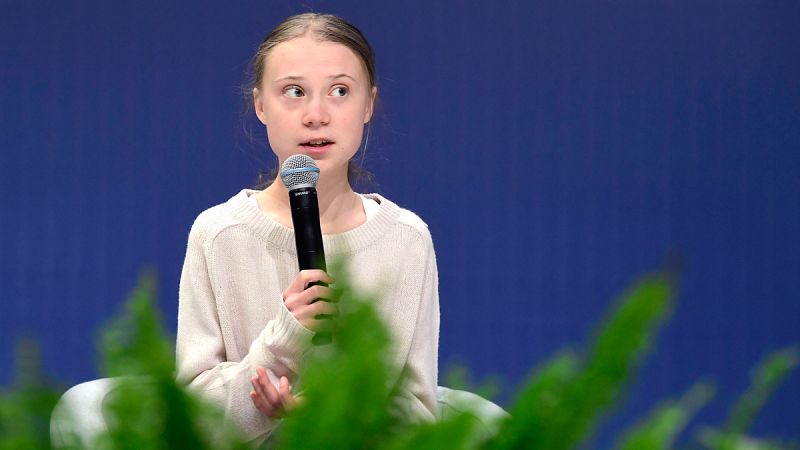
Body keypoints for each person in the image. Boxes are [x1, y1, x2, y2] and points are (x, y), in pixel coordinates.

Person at [175, 13, 440, 442]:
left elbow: (420, 417)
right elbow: (194, 419)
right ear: (261, 105)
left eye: (340, 91)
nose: (316, 115)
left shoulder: (406, 239)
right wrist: (283, 340)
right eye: (294, 92)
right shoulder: (219, 234)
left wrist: (337, 415)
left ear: (368, 104)